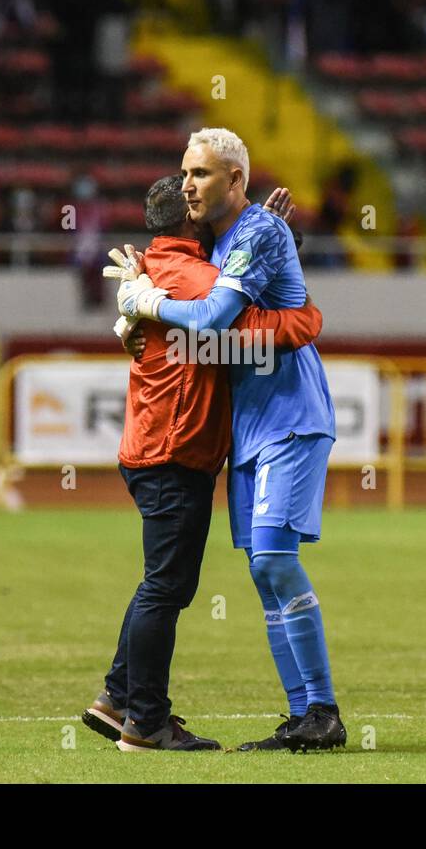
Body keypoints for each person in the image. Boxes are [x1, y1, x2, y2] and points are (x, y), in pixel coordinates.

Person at [116, 128, 345, 752]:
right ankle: (301, 717)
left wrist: (146, 302)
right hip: (245, 427)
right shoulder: (221, 243)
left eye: (201, 174)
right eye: (185, 173)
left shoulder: (255, 232)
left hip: (290, 415)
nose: (187, 185)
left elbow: (213, 317)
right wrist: (131, 319)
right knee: (262, 572)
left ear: (235, 180)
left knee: (273, 560)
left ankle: (323, 709)